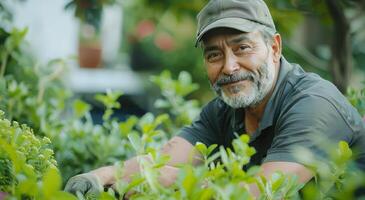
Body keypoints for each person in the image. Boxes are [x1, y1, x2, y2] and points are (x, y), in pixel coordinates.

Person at [65, 0, 365, 197]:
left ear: (274, 48)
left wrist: (178, 182)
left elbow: (261, 193)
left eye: (243, 47)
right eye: (214, 54)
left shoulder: (313, 104)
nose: (229, 66)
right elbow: (162, 160)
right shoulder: (226, 110)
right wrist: (98, 176)